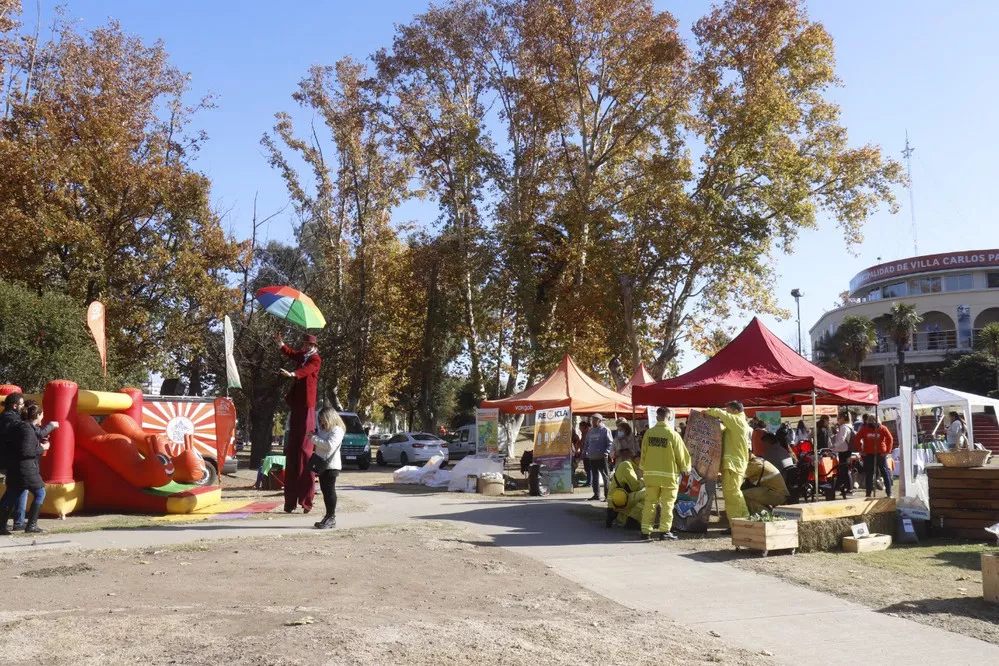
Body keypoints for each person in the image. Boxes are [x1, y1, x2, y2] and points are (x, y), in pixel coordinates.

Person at [275, 331, 322, 514]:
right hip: (296, 404)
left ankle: (305, 500)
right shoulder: (303, 355)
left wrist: (292, 374)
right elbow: (291, 353)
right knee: (294, 451)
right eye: (303, 344)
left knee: (304, 451)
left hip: (307, 405)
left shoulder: (315, 359)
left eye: (306, 345)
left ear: (313, 347)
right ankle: (290, 502)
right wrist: (281, 343)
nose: (303, 347)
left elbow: (306, 371)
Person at [1, 401, 54, 534]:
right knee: (40, 492)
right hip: (26, 468)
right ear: (38, 415)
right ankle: (31, 525)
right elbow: (26, 451)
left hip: (15, 467)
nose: (42, 418)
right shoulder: (27, 430)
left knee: (12, 494)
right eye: (42, 415)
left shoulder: (22, 427)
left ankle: (1, 525)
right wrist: (42, 448)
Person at [639, 407, 691, 541]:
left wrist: (641, 470)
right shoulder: (673, 435)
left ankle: (645, 531)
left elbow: (643, 454)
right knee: (668, 504)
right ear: (670, 418)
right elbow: (682, 456)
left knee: (650, 503)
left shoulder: (649, 434)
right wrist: (686, 469)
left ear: (657, 417)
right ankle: (664, 531)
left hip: (650, 476)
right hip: (669, 476)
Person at [705, 401, 752, 523]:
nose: (726, 413)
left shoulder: (737, 421)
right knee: (736, 493)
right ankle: (744, 520)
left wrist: (706, 412)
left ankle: (735, 523)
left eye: (728, 410)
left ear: (735, 411)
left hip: (733, 466)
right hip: (735, 465)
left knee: (731, 495)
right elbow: (722, 428)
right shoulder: (738, 423)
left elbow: (720, 413)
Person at [310, 408, 344, 530]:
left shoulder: (337, 430)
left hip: (331, 465)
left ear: (330, 417)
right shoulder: (324, 430)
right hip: (321, 464)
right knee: (325, 491)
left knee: (330, 491)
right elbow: (321, 442)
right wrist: (315, 436)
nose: (321, 421)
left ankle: (332, 517)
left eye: (323, 418)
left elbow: (329, 445)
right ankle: (328, 515)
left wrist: (314, 438)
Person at [854, 413, 894, 499]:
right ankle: (889, 493)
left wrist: (860, 450)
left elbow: (857, 438)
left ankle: (869, 493)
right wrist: (887, 451)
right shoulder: (882, 428)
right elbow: (890, 439)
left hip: (870, 453)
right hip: (879, 453)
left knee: (870, 473)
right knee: (884, 473)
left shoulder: (865, 429)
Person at [605, 448, 645, 530]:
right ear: (637, 459)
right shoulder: (627, 466)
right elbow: (635, 486)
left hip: (619, 499)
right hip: (617, 501)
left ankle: (623, 518)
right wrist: (644, 481)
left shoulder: (631, 466)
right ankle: (633, 521)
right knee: (647, 494)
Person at [582, 414, 613, 501]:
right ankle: (596, 495)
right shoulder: (590, 431)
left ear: (599, 420)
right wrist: (584, 452)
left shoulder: (605, 430)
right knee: (595, 476)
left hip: (602, 457)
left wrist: (606, 452)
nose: (592, 421)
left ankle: (607, 496)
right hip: (592, 457)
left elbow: (610, 443)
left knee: (605, 476)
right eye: (592, 420)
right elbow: (586, 442)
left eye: (594, 420)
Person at [831, 412, 855, 497]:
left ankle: (850, 489)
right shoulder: (849, 426)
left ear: (843, 419)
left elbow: (841, 439)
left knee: (845, 470)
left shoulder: (844, 427)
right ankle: (843, 488)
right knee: (842, 470)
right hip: (845, 450)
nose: (838, 420)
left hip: (844, 450)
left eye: (839, 418)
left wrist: (834, 446)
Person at [576, 421, 591, 488]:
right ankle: (589, 482)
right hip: (585, 453)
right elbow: (581, 442)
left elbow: (584, 443)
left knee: (588, 468)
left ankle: (589, 482)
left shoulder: (587, 433)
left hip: (587, 453)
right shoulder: (584, 433)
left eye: (580, 427)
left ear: (583, 427)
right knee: (587, 468)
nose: (579, 428)